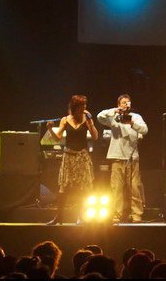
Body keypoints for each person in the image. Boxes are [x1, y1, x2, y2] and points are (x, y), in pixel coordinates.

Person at [46, 94, 98, 225]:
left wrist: (91, 123)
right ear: (75, 107)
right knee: (63, 187)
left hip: (82, 156)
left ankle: (83, 216)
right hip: (69, 156)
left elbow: (95, 137)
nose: (84, 107)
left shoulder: (86, 119)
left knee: (84, 187)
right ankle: (59, 216)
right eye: (82, 105)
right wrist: (50, 129)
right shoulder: (65, 120)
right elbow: (57, 138)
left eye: (85, 105)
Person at [97, 94, 148, 223]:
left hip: (132, 157)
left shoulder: (136, 117)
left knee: (135, 187)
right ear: (119, 104)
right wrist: (114, 111)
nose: (126, 104)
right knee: (116, 187)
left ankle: (137, 215)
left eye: (128, 102)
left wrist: (132, 123)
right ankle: (117, 214)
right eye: (123, 102)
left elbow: (145, 130)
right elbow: (99, 117)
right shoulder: (113, 117)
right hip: (117, 156)